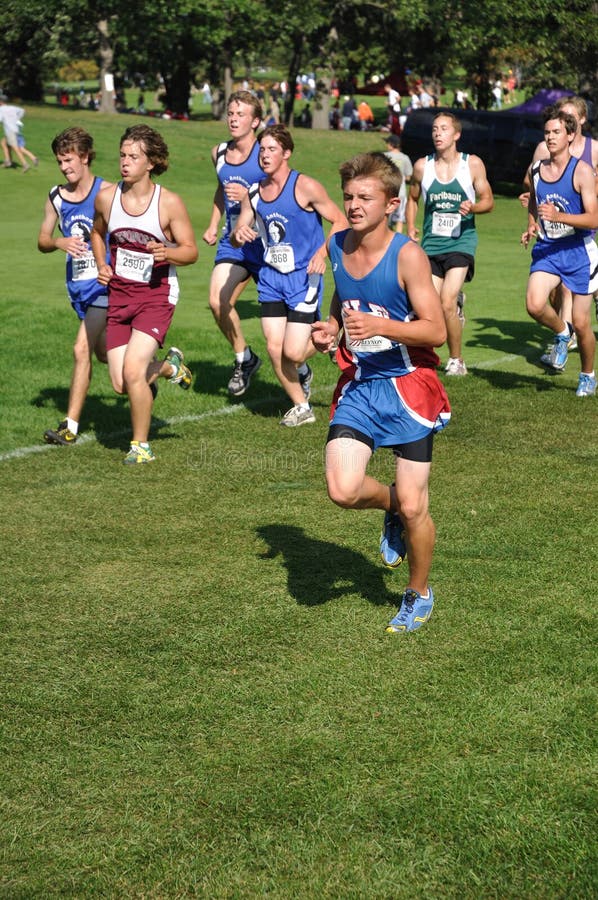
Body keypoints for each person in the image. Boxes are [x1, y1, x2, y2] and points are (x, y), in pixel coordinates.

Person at [311, 151, 451, 633]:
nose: (353, 205)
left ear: (391, 204)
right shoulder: (335, 246)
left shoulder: (408, 254)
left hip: (412, 386)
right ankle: (389, 507)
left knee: (418, 505)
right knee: (342, 488)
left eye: (364, 197)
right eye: (348, 196)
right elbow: (343, 295)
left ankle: (418, 593)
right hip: (362, 384)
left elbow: (435, 331)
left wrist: (383, 327)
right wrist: (331, 328)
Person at [90, 124, 198, 464]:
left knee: (135, 371)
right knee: (122, 384)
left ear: (150, 162)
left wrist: (168, 253)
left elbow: (191, 251)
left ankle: (141, 446)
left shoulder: (168, 203)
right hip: (120, 295)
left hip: (156, 296)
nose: (125, 162)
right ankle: (169, 368)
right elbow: (97, 232)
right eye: (122, 155)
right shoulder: (107, 198)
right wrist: (100, 264)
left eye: (133, 157)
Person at [232, 124, 348, 426]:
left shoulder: (304, 186)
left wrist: (321, 253)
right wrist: (239, 233)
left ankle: (332, 338)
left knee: (293, 353)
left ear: (287, 153)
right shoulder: (254, 193)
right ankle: (302, 407)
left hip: (303, 278)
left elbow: (340, 221)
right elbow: (237, 233)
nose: (265, 155)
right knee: (274, 347)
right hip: (271, 278)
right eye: (262, 149)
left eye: (272, 149)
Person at [38, 127, 111, 446]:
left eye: (69, 160)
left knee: (80, 349)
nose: (64, 167)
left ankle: (70, 426)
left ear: (84, 157)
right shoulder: (56, 197)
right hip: (77, 290)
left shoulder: (107, 192)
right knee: (109, 357)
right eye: (59, 162)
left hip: (104, 287)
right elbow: (42, 239)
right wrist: (58, 241)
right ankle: (165, 368)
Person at [406, 111, 494, 375]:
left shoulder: (473, 165)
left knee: (446, 302)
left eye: (443, 129)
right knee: (428, 305)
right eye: (434, 129)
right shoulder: (423, 166)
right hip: (431, 245)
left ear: (456, 135)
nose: (437, 133)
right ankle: (453, 311)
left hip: (461, 242)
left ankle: (456, 360)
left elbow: (489, 201)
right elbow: (412, 198)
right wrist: (411, 226)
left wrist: (474, 207)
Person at [521, 107, 598, 397]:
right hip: (549, 249)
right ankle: (561, 333)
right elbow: (533, 202)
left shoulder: (582, 171)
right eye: (547, 132)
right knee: (534, 304)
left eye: (556, 132)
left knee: (582, 322)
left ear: (570, 135)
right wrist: (532, 224)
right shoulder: (537, 170)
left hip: (579, 252)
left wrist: (559, 216)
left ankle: (588, 374)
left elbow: (594, 219)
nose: (550, 137)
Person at [202, 90, 265, 397]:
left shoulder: (266, 154)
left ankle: (303, 366)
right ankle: (245, 358)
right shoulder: (219, 153)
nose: (234, 119)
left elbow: (280, 191)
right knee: (217, 301)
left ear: (256, 121)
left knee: (284, 325)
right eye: (230, 113)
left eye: (241, 114)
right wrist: (213, 224)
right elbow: (220, 190)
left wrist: (250, 199)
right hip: (233, 242)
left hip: (267, 244)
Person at [383, 134, 413, 233]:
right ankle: (398, 238)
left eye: (387, 143)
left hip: (386, 190)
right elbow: (409, 176)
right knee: (400, 218)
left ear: (391, 144)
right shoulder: (405, 158)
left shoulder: (385, 156)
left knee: (386, 216)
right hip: (401, 192)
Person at [0, 94, 32, 171]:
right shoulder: (12, 108)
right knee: (3, 143)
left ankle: (25, 164)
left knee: (15, 148)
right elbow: (22, 111)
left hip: (10, 131)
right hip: (15, 129)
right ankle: (8, 161)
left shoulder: (1, 109)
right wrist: (17, 118)